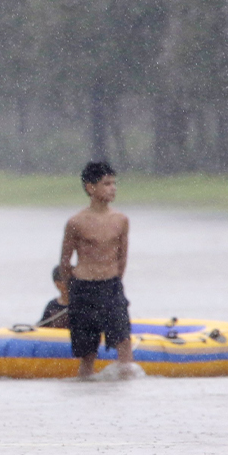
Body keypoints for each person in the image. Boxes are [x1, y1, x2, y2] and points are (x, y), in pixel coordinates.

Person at [57, 161, 135, 378]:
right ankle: (85, 391)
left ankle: (127, 389)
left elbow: (122, 257)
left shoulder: (121, 220)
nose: (113, 188)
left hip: (111, 287)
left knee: (124, 342)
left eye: (114, 183)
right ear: (90, 188)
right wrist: (71, 290)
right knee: (87, 354)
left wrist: (115, 282)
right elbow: (65, 260)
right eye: (106, 184)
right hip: (83, 289)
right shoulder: (76, 222)